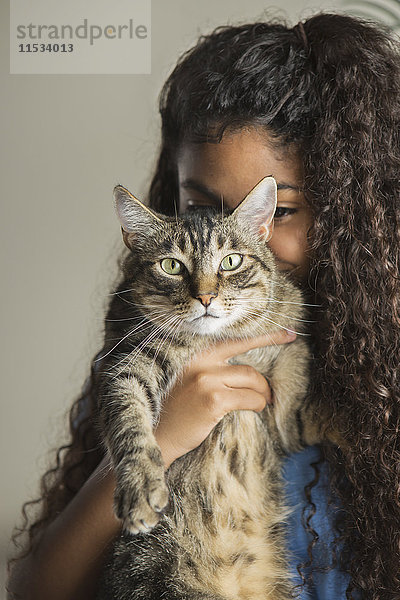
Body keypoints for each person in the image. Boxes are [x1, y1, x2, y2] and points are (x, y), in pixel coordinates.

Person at [7, 12, 400, 600]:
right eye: (199, 203)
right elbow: (38, 588)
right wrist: (159, 440)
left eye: (277, 213)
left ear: (353, 209)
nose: (232, 251)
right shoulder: (144, 350)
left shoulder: (377, 368)